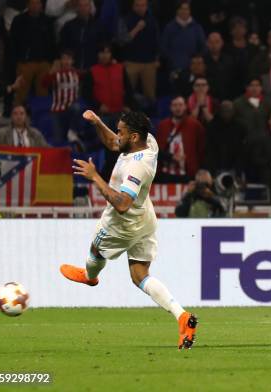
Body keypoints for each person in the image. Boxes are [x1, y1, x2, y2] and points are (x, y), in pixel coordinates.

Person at [60, 110, 198, 350]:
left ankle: (90, 277)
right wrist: (98, 123)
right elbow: (113, 142)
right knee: (140, 275)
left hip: (122, 225)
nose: (117, 136)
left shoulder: (137, 167)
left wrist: (96, 177)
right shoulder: (149, 141)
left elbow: (123, 205)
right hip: (145, 219)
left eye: (121, 131)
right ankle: (183, 317)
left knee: (96, 249)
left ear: (133, 137)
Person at [156, 95, 205, 182]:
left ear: (185, 107)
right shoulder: (162, 126)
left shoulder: (195, 125)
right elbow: (157, 149)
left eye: (180, 105)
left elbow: (201, 149)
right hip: (165, 173)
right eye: (175, 105)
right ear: (170, 108)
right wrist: (171, 157)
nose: (178, 108)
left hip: (188, 173)